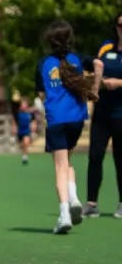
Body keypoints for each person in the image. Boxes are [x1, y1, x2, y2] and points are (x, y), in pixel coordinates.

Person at [36, 20, 102, 234]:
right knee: (68, 161)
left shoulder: (43, 64)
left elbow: (41, 94)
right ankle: (73, 197)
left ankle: (64, 214)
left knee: (60, 166)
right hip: (76, 119)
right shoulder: (78, 59)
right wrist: (95, 89)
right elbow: (99, 65)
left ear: (49, 41)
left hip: (56, 119)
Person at [85, 12, 122, 219]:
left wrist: (118, 83)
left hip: (121, 114)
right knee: (95, 156)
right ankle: (91, 203)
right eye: (119, 25)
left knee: (121, 159)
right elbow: (95, 70)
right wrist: (98, 83)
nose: (121, 29)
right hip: (102, 113)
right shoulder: (106, 47)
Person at [13, 97, 36, 165]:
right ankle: (23, 153)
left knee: (26, 142)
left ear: (27, 105)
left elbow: (33, 122)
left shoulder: (30, 114)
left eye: (24, 104)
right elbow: (14, 122)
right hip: (20, 131)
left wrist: (33, 128)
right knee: (21, 145)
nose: (23, 105)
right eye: (22, 104)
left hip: (27, 131)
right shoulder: (18, 113)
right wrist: (14, 129)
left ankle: (25, 156)